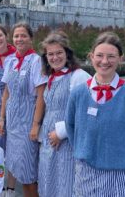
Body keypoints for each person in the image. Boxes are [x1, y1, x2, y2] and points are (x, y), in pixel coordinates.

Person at [66, 32, 125, 196]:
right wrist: (83, 149)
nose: (104, 61)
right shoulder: (78, 93)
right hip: (87, 173)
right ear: (91, 57)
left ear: (121, 58)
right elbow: (71, 126)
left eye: (111, 56)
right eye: (99, 55)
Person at [38, 32, 91, 197]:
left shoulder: (78, 76)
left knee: (65, 183)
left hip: (66, 142)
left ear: (67, 53)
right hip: (48, 141)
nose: (55, 57)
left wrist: (62, 132)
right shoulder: (50, 77)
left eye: (59, 53)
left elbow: (85, 112)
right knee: (48, 181)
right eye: (50, 54)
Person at [0, 23, 47, 197]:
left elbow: (41, 95)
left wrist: (35, 125)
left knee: (28, 171)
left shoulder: (36, 61)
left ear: (31, 39)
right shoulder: (10, 61)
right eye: (16, 36)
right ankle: (11, 192)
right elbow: (7, 92)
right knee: (13, 163)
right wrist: (2, 118)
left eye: (23, 35)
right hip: (12, 121)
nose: (19, 39)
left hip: (28, 121)